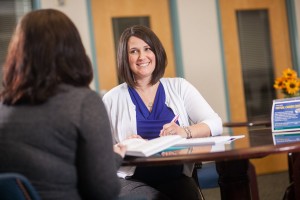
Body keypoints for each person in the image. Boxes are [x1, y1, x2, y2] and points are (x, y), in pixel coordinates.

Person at [0, 9, 128, 200]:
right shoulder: (84, 103)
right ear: (73, 50)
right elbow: (103, 191)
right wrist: (115, 157)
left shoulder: (4, 106)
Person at [102, 25, 223, 200]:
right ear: (124, 58)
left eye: (147, 49)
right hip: (130, 179)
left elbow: (215, 123)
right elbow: (98, 151)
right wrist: (123, 146)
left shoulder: (179, 87)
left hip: (174, 175)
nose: (142, 57)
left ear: (156, 53)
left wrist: (184, 131)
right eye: (134, 51)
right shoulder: (112, 98)